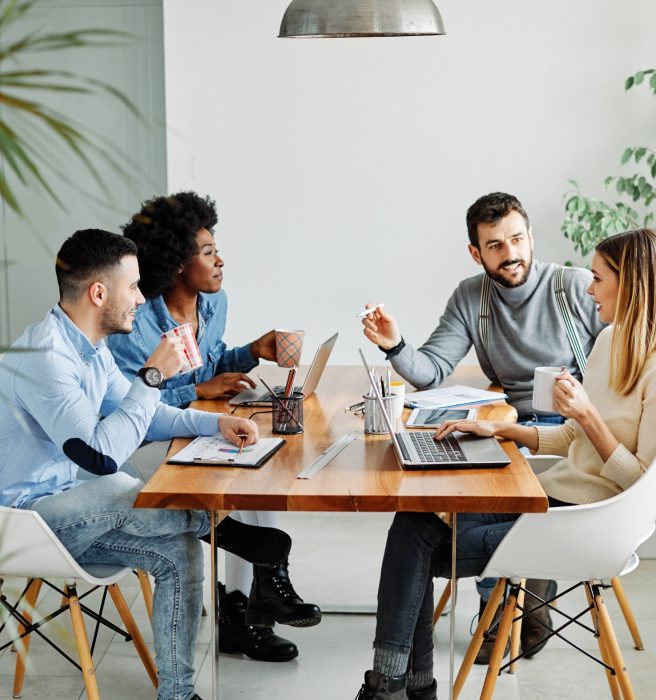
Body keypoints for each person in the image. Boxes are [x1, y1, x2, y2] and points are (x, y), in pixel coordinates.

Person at [355, 228, 656, 699]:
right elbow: (573, 437)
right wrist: (500, 430)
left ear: (632, 283)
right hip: (550, 498)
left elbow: (638, 484)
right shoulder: (612, 341)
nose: (588, 288)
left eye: (597, 278)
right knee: (413, 518)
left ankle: (393, 686)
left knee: (412, 555)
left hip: (587, 523)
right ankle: (404, 685)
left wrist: (587, 414)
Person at [0, 228, 300, 700]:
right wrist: (153, 375)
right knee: (123, 482)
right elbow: (98, 456)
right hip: (23, 521)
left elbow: (141, 416)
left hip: (70, 507)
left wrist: (211, 426)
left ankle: (177, 694)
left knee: (179, 553)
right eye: (134, 287)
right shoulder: (46, 356)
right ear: (99, 293)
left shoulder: (91, 347)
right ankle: (224, 530)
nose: (141, 298)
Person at [362, 192, 606, 661]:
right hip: (507, 424)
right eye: (495, 245)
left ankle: (510, 610)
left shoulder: (573, 287)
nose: (510, 252)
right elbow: (432, 367)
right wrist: (395, 345)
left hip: (572, 428)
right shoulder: (472, 297)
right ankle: (512, 601)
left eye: (517, 239)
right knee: (433, 494)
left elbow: (617, 366)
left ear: (531, 237)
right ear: (477, 253)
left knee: (488, 494)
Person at [107, 191, 320, 663]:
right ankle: (247, 612)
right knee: (240, 481)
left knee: (257, 471)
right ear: (177, 264)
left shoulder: (213, 303)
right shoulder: (137, 322)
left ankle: (243, 611)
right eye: (207, 252)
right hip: (141, 441)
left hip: (192, 425)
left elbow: (209, 365)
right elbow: (129, 402)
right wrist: (197, 393)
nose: (220, 260)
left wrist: (252, 352)